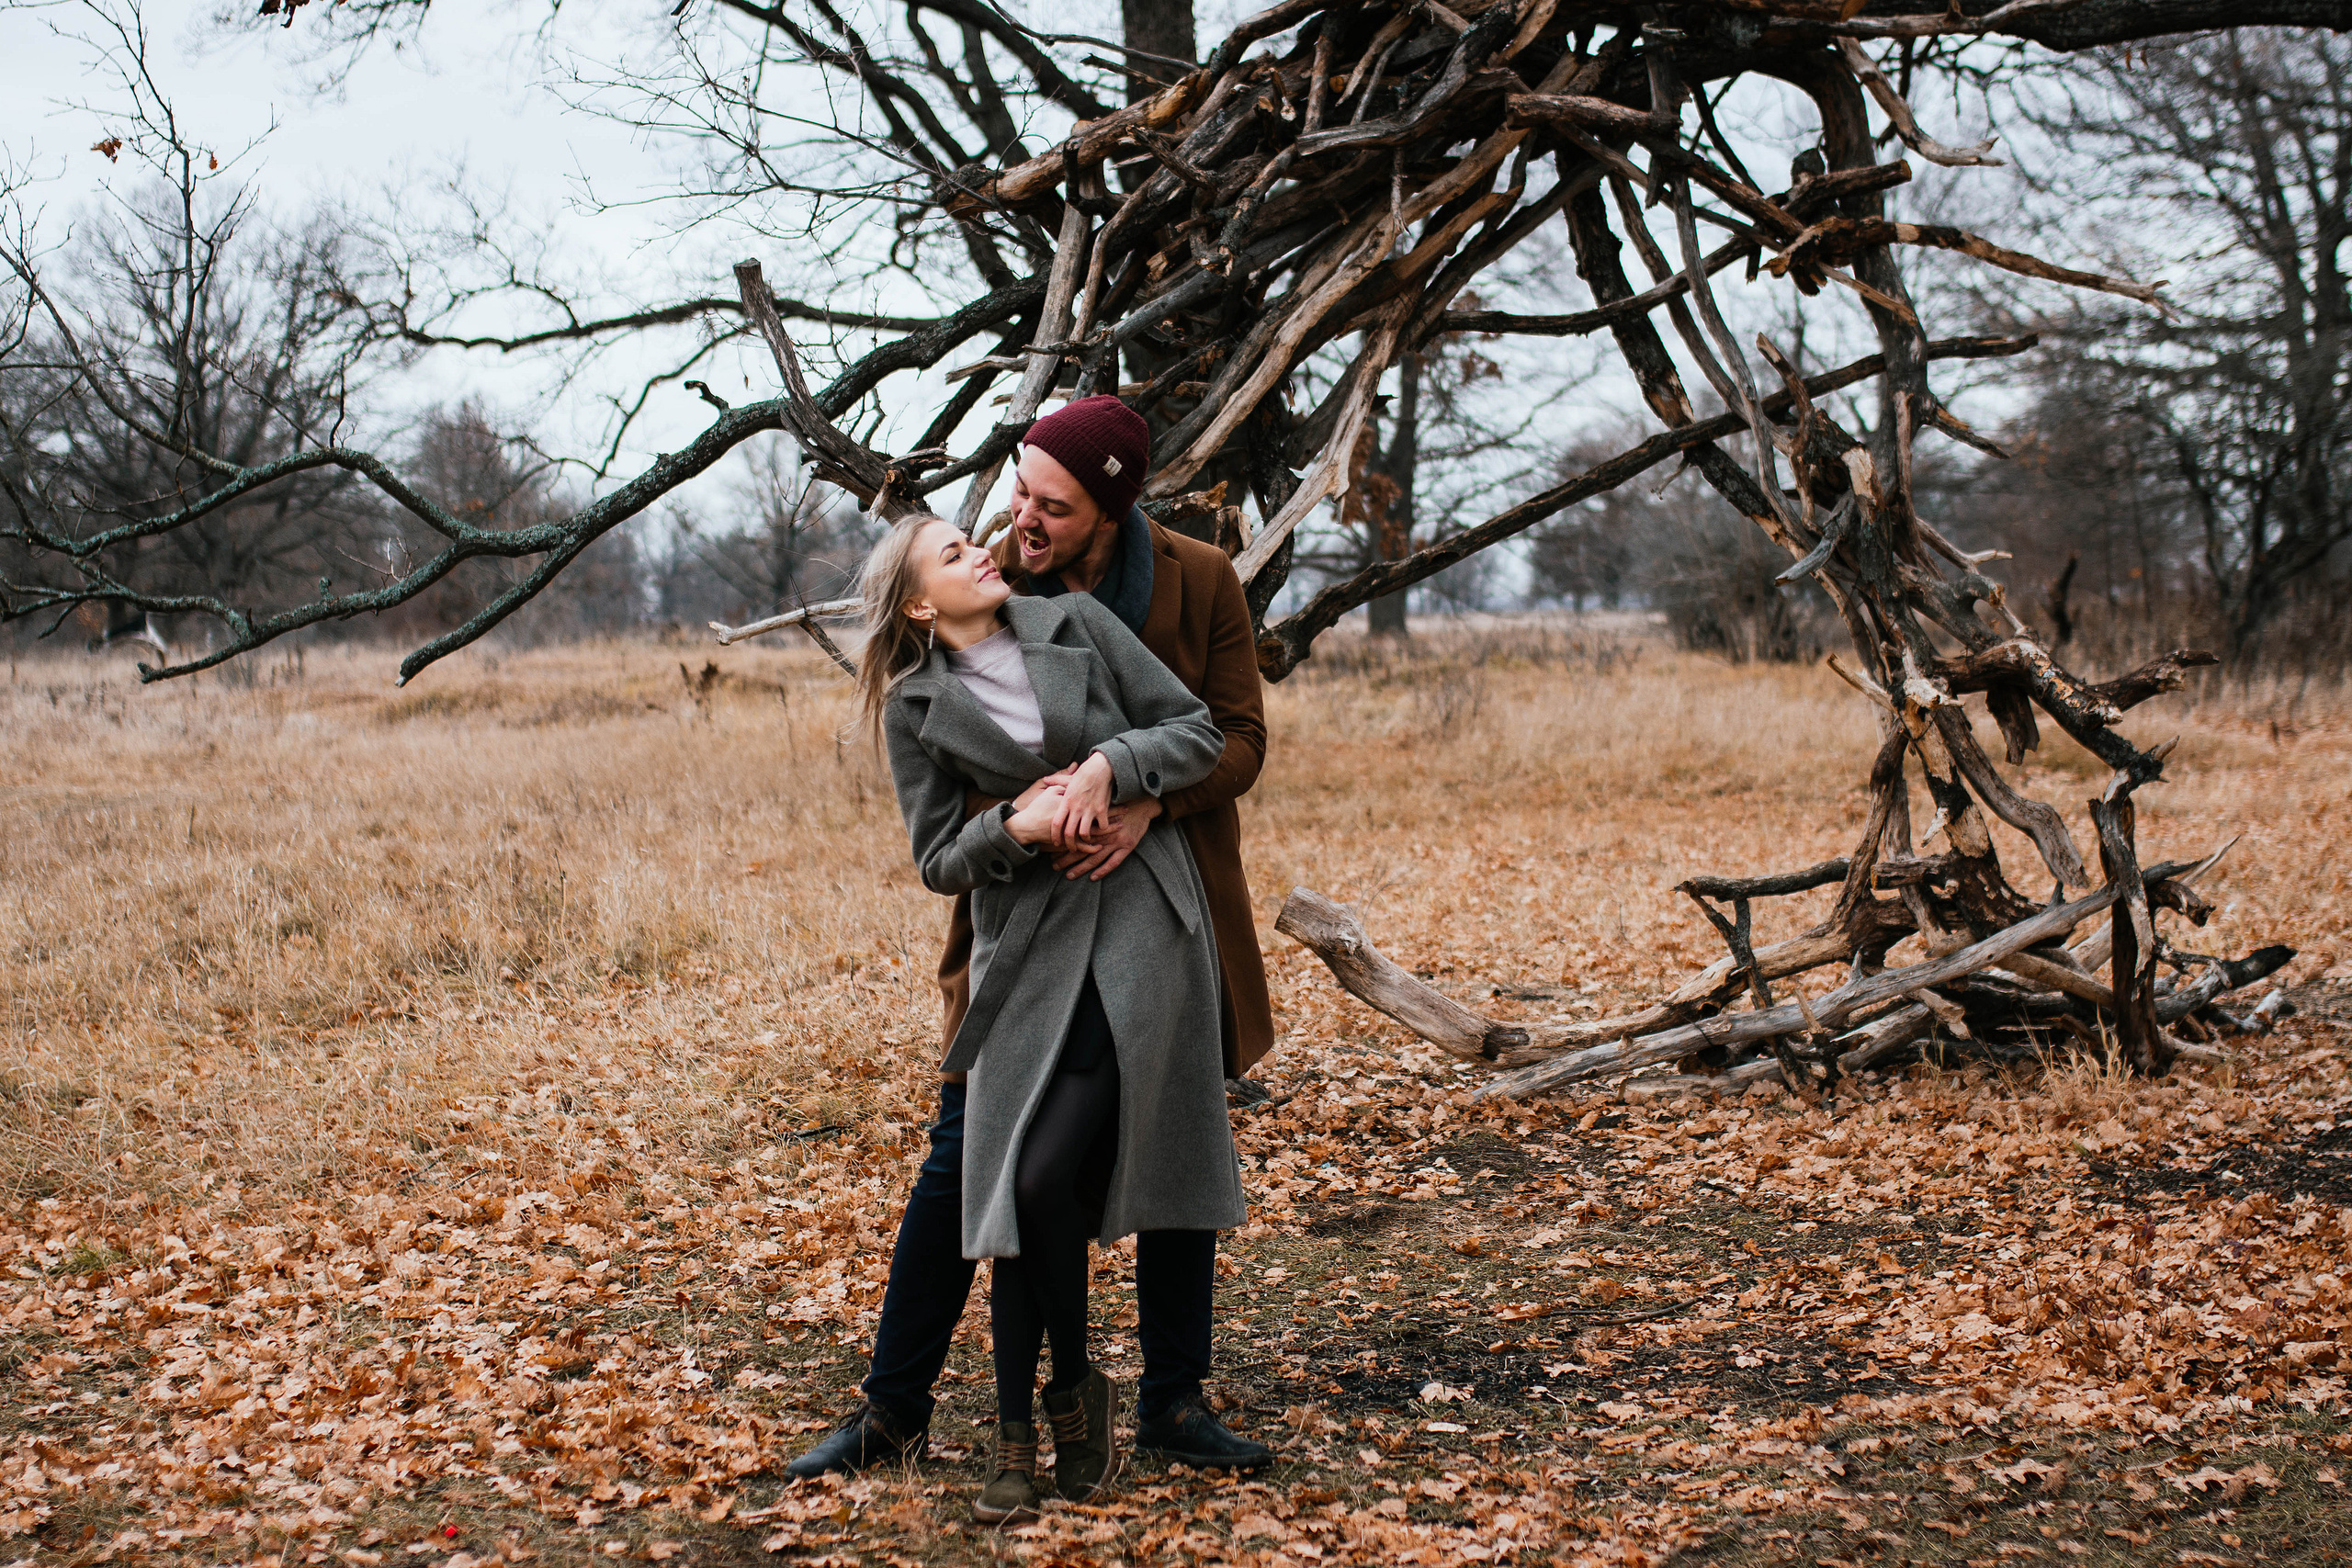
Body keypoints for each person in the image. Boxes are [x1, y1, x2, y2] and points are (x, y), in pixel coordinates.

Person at [789, 396, 1278, 1483]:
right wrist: (1020, 825)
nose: (1021, 520)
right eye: (1018, 493)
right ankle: (894, 1407)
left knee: (1167, 1130)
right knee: (966, 1154)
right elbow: (942, 816)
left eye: (1050, 504)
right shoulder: (998, 586)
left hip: (1156, 893)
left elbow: (1234, 738)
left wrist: (1141, 797)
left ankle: (1171, 1400)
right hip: (1020, 933)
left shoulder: (1196, 582)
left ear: (1110, 507)